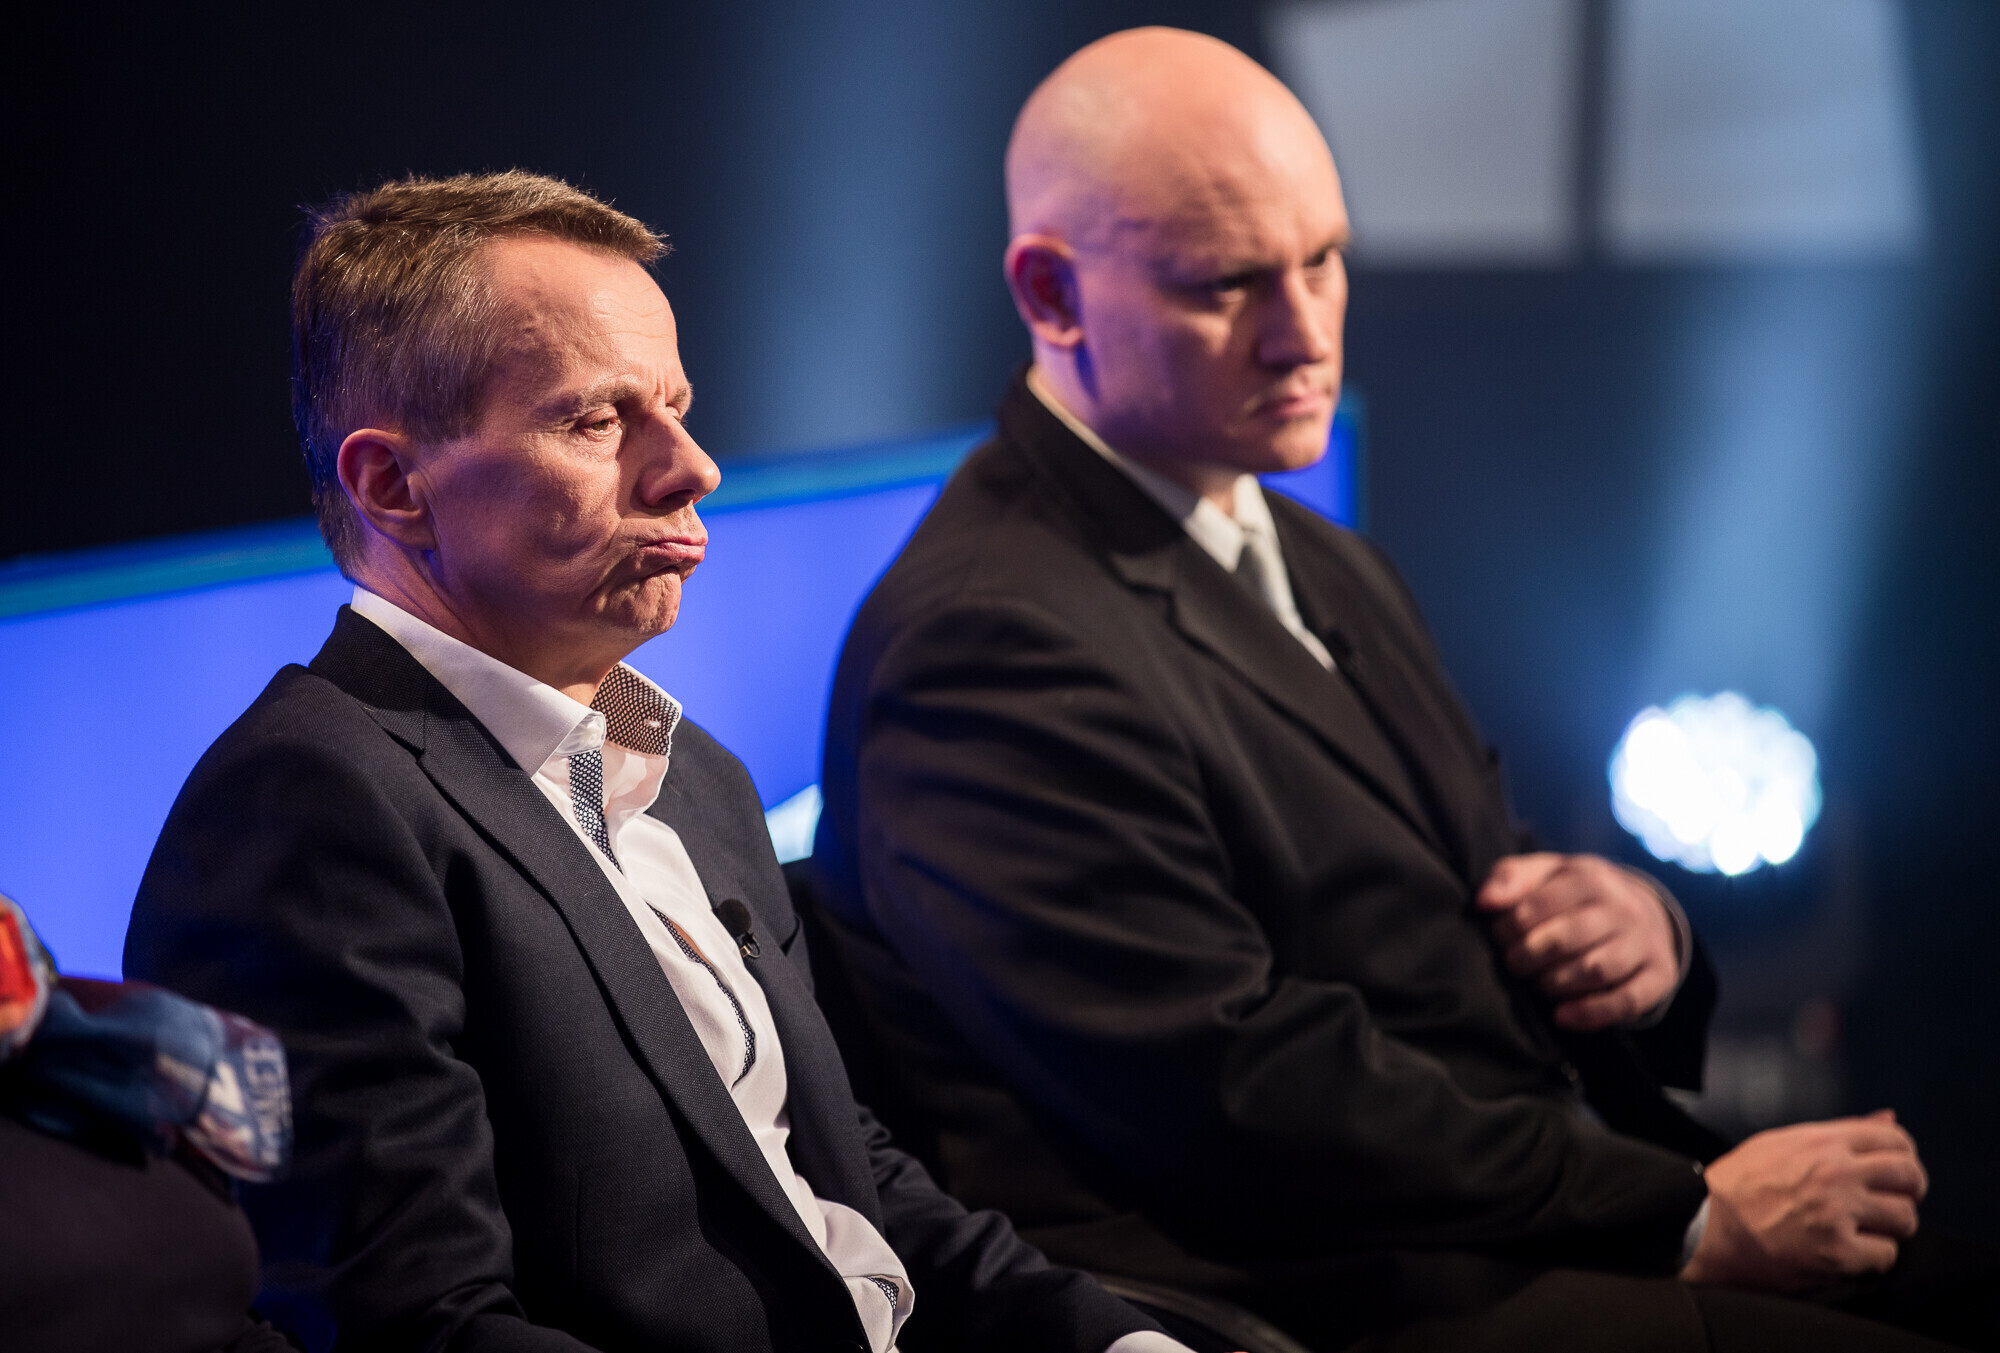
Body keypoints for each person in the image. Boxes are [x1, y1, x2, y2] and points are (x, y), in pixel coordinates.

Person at [813, 29, 1972, 1351]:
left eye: (1323, 259)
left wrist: (1638, 938)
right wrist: (1689, 1218)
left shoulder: (1304, 543)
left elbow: (1466, 889)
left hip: (1499, 1218)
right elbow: (1234, 1096)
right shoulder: (984, 639)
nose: (1304, 333)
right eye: (1229, 283)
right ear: (1051, 292)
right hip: (1317, 1294)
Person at [124, 171, 1189, 1353]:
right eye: (594, 420)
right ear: (392, 484)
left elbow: (835, 1178)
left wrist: (1121, 1343)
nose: (690, 468)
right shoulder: (308, 808)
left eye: (676, 407)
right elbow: (419, 1328)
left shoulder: (693, 775)